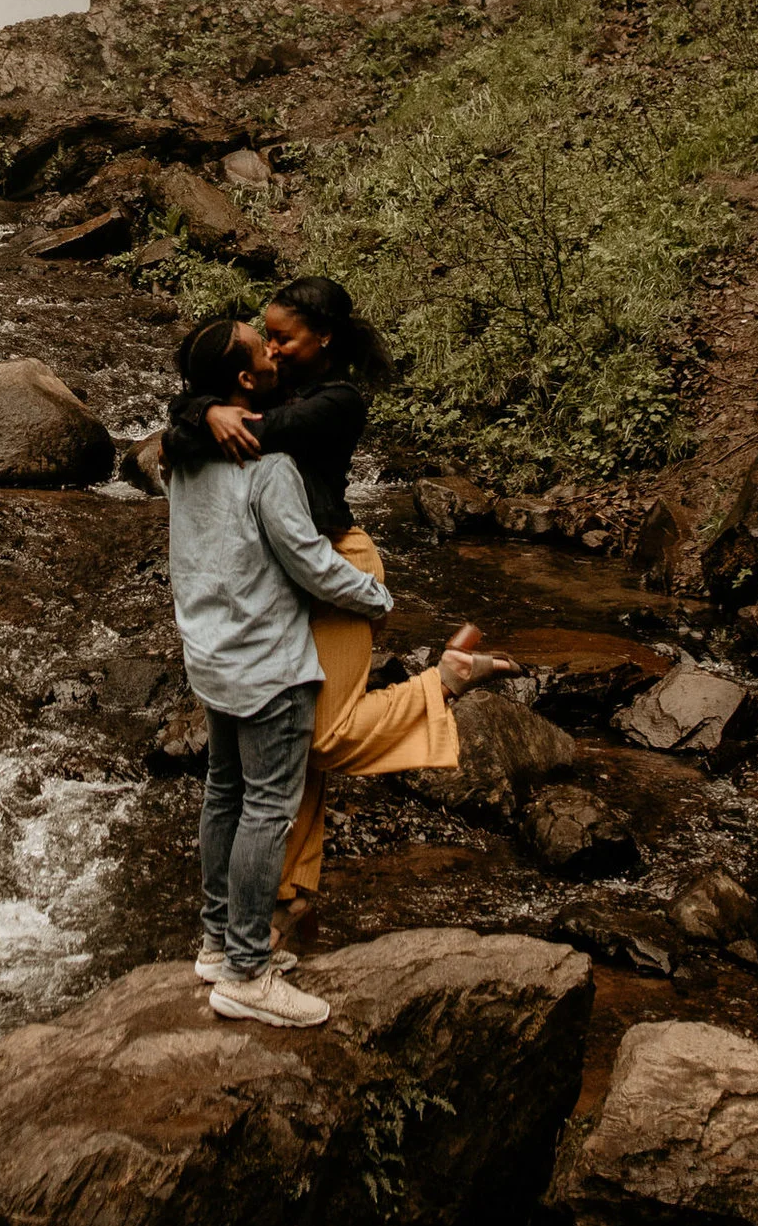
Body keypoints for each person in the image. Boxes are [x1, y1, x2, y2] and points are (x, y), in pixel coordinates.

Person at [166, 278, 514, 950]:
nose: (272, 344)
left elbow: (259, 432)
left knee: (317, 738)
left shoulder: (336, 402)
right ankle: (288, 897)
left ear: (321, 339)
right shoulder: (260, 390)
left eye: (282, 337)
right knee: (288, 753)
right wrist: (206, 409)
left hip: (336, 567)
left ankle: (443, 681)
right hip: (289, 571)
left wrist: (205, 413)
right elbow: (194, 418)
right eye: (264, 336)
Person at [163, 313, 385, 1028]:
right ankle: (248, 972)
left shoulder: (185, 454)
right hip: (268, 662)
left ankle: (217, 941)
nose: (273, 348)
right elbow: (313, 564)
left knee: (223, 795)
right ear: (243, 378)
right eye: (262, 346)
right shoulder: (269, 464)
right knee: (267, 809)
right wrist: (377, 595)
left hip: (212, 653)